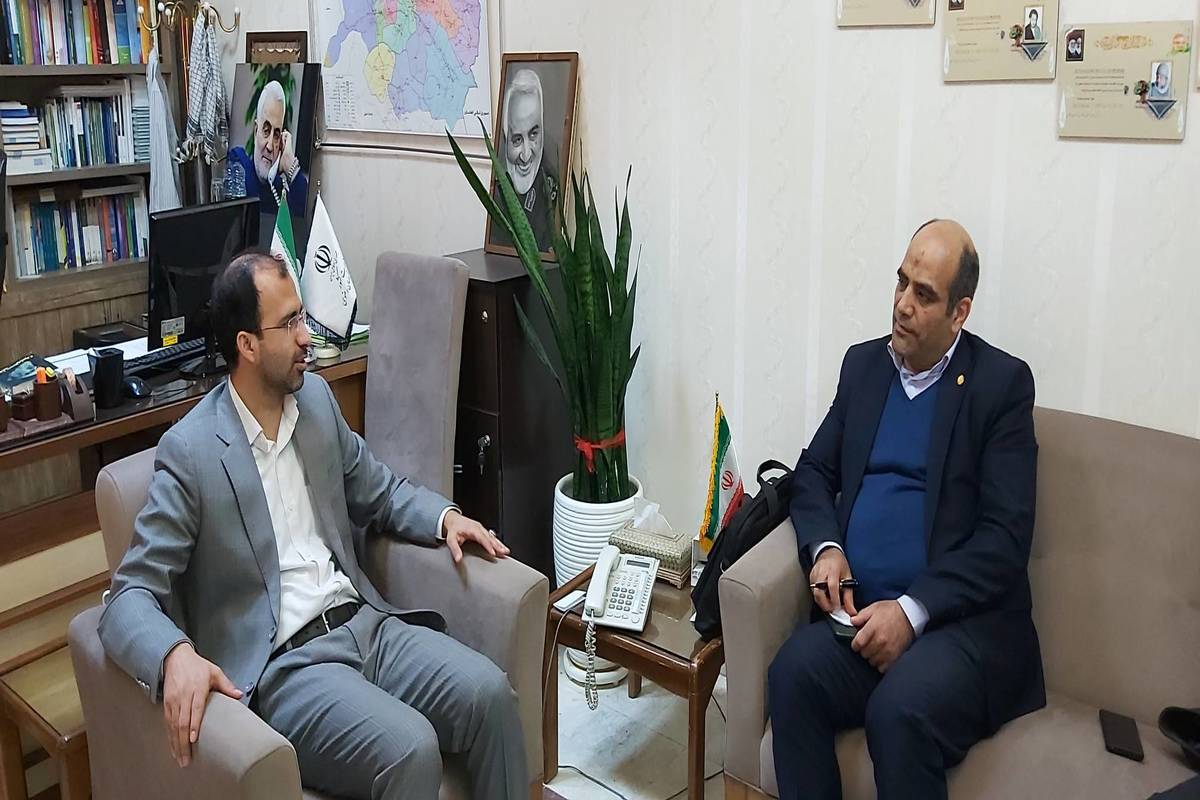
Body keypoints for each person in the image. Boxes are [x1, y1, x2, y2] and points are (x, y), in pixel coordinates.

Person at [97, 250, 529, 800]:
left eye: (302, 316)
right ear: (247, 345)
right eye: (290, 323)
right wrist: (173, 654)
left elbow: (377, 489)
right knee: (411, 748)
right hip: (288, 668)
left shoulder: (317, 402)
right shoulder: (191, 452)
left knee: (491, 695)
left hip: (366, 625)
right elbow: (128, 595)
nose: (307, 337)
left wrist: (445, 518)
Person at [768, 220, 1044, 800]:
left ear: (959, 313)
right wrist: (826, 548)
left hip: (957, 630)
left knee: (898, 711)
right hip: (862, 617)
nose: (902, 305)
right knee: (791, 674)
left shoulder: (1000, 387)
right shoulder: (864, 367)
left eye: (924, 295)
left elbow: (1004, 539)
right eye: (900, 283)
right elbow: (813, 472)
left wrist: (911, 612)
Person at [490, 68, 559, 253]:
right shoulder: (497, 197)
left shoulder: (552, 187)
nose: (526, 155)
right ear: (505, 137)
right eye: (517, 139)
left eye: (534, 134)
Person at [227, 81, 310, 219]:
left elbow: (305, 220)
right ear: (256, 131)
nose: (270, 146)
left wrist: (290, 165)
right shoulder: (238, 162)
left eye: (276, 135)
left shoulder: (279, 191)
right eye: (266, 131)